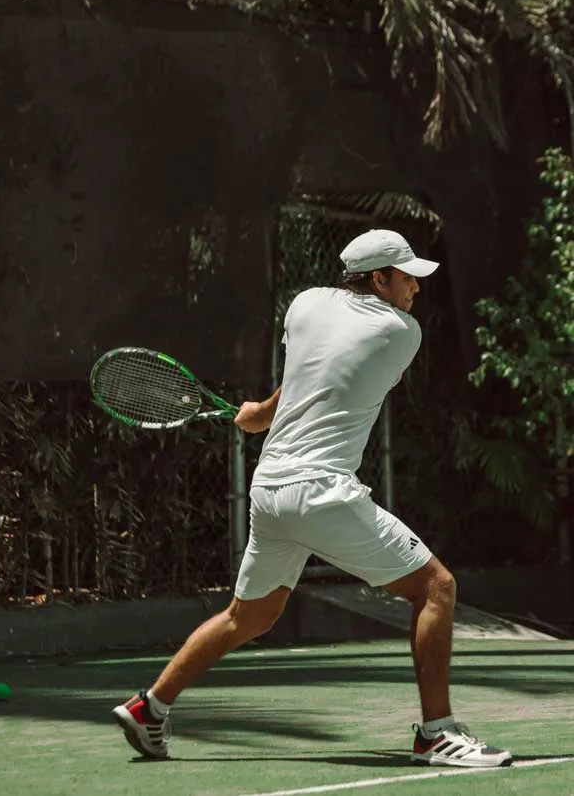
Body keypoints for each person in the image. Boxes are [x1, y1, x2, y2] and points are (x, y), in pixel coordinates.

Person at [112, 229, 512, 769]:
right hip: (322, 492)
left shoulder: (305, 305)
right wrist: (270, 408)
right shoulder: (401, 332)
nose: (416, 288)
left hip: (270, 489)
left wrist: (262, 411)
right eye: (407, 277)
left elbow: (308, 374)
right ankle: (437, 734)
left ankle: (149, 708)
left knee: (247, 617)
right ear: (379, 279)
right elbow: (334, 375)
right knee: (436, 587)